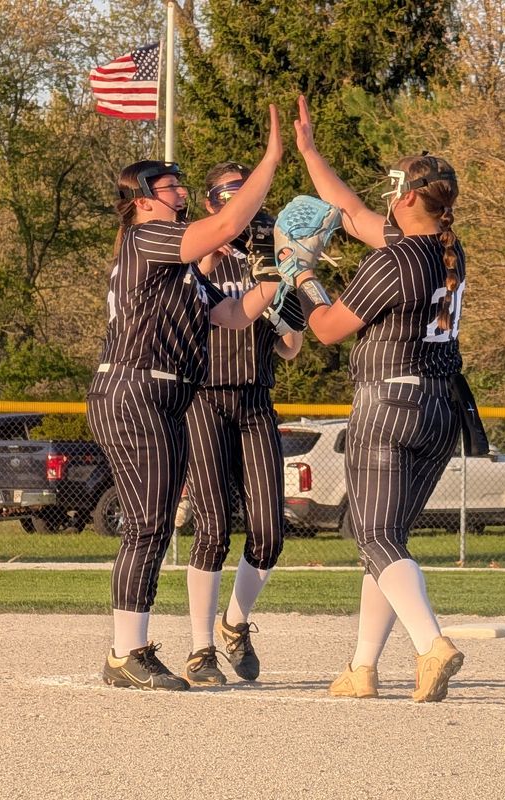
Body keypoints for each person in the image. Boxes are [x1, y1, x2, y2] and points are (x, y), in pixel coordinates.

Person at [86, 106, 283, 691]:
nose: (181, 193)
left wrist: (274, 262)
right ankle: (128, 651)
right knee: (148, 523)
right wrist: (269, 163)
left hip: (163, 392)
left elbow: (232, 313)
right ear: (144, 197)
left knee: (151, 524)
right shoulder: (145, 235)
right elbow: (221, 229)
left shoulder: (179, 269)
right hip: (136, 385)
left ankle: (129, 651)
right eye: (172, 186)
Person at [286, 95, 466, 702]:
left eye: (398, 189)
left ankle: (430, 645)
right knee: (387, 541)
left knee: (371, 535)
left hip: (390, 405)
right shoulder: (445, 250)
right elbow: (351, 210)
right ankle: (362, 669)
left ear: (411, 197)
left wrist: (301, 278)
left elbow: (329, 328)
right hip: (441, 409)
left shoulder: (395, 261)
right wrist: (310, 152)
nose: (389, 195)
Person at [183, 162, 305, 686]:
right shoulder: (196, 258)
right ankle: (200, 649)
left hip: (254, 400)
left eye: (245, 195)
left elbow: (292, 348)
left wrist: (291, 281)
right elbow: (188, 300)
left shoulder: (268, 265)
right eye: (227, 195)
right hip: (205, 400)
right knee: (212, 528)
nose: (239, 203)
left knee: (270, 531)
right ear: (213, 204)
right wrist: (214, 249)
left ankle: (234, 623)